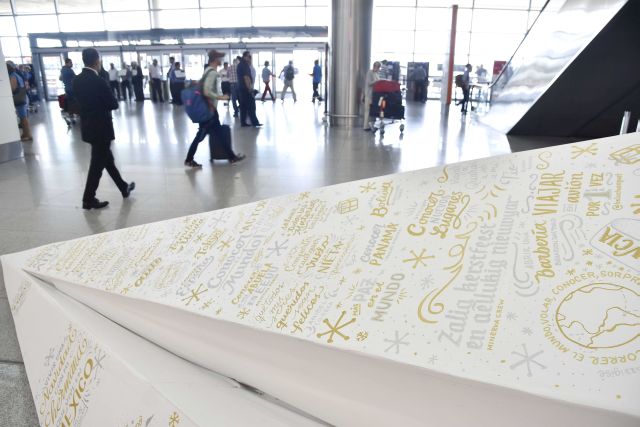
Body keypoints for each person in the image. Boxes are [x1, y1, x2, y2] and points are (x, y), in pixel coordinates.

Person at [73, 48, 135, 210]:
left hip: (88, 126)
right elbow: (113, 104)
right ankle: (88, 199)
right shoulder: (98, 81)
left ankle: (123, 187)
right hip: (101, 128)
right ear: (97, 61)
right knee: (97, 165)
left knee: (107, 160)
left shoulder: (77, 80)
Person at [184, 50, 245, 167]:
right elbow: (206, 91)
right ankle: (189, 159)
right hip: (209, 111)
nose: (221, 60)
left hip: (210, 110)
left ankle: (231, 157)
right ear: (215, 59)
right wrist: (221, 97)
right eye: (219, 58)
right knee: (201, 136)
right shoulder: (212, 73)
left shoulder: (207, 70)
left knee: (219, 133)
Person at [7, 61, 32, 141]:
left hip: (19, 98)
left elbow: (13, 88)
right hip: (22, 97)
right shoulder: (17, 75)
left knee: (23, 117)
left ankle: (28, 135)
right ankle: (25, 133)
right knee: (23, 117)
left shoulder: (12, 76)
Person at [237, 51, 261, 127]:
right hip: (246, 89)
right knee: (251, 105)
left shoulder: (240, 64)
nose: (249, 58)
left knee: (243, 106)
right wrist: (250, 88)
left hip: (241, 88)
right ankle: (255, 122)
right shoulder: (244, 65)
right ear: (245, 56)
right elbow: (246, 77)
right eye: (249, 56)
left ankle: (243, 122)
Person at [363, 61, 380, 131]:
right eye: (378, 67)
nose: (378, 69)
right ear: (375, 66)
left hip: (374, 95)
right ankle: (365, 126)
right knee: (367, 110)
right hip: (368, 94)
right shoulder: (369, 73)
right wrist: (376, 82)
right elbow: (369, 83)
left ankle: (371, 125)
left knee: (373, 111)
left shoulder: (376, 74)